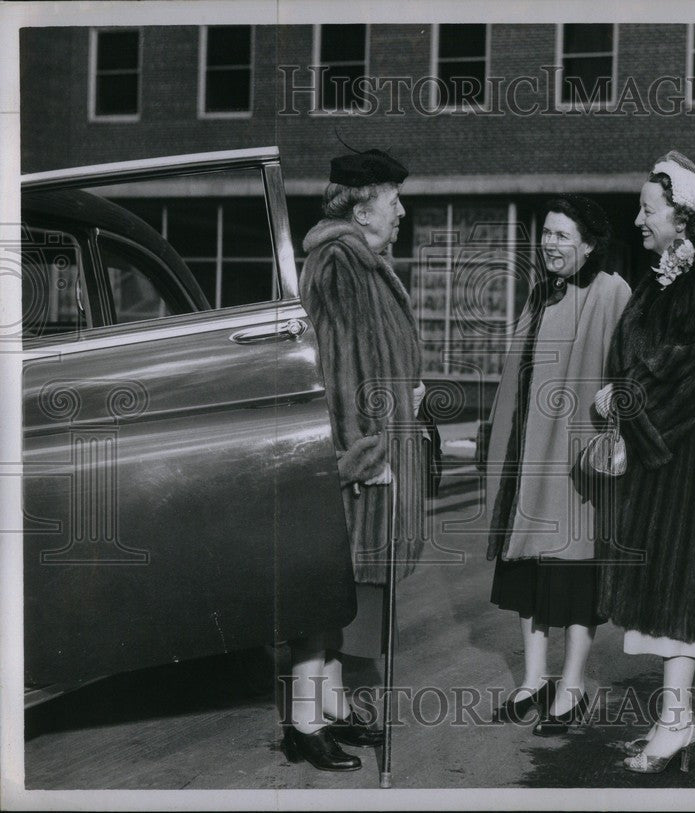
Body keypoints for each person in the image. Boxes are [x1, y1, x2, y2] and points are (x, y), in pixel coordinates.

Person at [284, 148, 428, 771]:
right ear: (364, 203)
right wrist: (365, 454)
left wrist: (406, 389)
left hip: (376, 440)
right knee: (325, 589)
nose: (402, 210)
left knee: (344, 587)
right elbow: (338, 368)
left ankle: (333, 707)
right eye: (393, 199)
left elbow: (374, 362)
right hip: (357, 454)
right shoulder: (340, 261)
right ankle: (303, 723)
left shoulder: (362, 259)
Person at [595, 152, 695, 774]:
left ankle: (675, 721)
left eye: (648, 210)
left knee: (680, 589)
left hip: (690, 458)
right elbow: (634, 355)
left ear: (683, 220)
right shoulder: (658, 279)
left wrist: (630, 408)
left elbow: (684, 369)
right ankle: (676, 719)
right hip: (662, 454)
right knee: (662, 589)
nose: (637, 220)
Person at [485, 196, 631, 735]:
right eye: (546, 233)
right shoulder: (540, 293)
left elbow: (634, 362)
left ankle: (572, 686)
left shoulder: (612, 291)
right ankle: (533, 679)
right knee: (528, 571)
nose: (550, 243)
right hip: (528, 456)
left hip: (575, 460)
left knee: (572, 575)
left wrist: (617, 394)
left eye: (563, 235)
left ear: (589, 244)